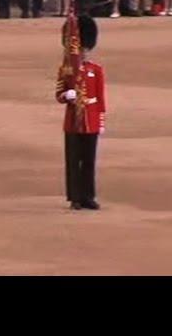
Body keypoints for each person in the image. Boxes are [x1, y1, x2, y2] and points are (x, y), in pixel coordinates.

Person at [56, 15, 105, 210]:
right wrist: (66, 95)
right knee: (73, 161)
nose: (81, 53)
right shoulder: (66, 70)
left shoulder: (96, 70)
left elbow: (100, 98)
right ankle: (75, 197)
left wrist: (100, 121)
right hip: (73, 121)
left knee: (89, 161)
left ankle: (88, 196)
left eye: (83, 49)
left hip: (90, 120)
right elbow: (59, 94)